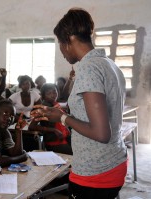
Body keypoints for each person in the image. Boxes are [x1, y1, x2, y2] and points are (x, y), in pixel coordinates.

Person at [31, 8, 127, 199]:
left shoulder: (88, 68)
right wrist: (62, 110)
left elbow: (101, 133)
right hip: (114, 161)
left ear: (69, 39)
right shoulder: (108, 64)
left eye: (60, 43)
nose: (61, 51)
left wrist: (62, 117)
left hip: (96, 170)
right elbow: (92, 108)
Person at [29, 83, 72, 155]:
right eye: (49, 93)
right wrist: (54, 130)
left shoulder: (55, 104)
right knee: (74, 153)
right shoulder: (43, 108)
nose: (53, 95)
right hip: (53, 141)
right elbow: (31, 126)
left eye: (54, 92)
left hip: (63, 137)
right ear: (43, 96)